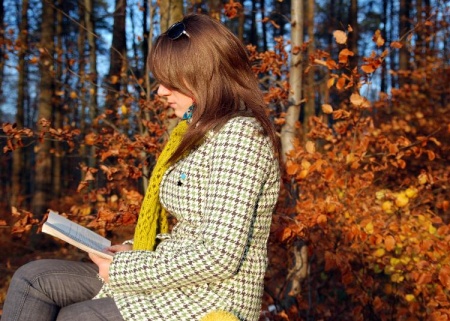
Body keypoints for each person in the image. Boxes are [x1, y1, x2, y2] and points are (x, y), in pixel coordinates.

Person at [2, 13, 280, 321]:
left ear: (205, 76)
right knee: (34, 280)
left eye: (170, 81)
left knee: (79, 317)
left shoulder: (241, 135)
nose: (160, 91)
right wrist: (133, 251)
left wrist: (125, 268)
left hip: (211, 296)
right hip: (175, 280)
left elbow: (219, 255)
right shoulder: (197, 133)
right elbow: (190, 232)